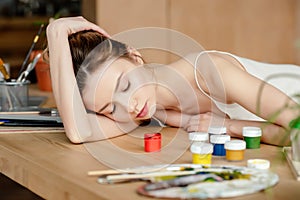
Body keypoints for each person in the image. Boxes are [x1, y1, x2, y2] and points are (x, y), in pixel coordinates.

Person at [45, 16, 300, 145]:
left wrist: (228, 127)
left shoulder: (211, 72)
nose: (128, 106)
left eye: (125, 85)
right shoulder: (144, 112)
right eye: (110, 108)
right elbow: (78, 132)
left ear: (135, 56)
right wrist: (55, 34)